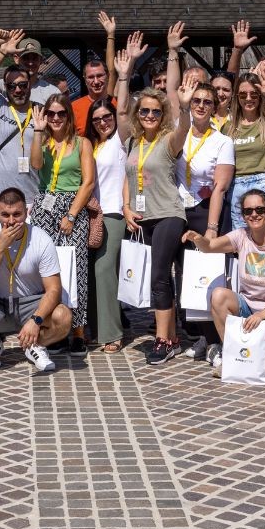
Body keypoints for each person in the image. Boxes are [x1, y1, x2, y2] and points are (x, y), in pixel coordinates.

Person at [116, 37, 195, 366]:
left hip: (168, 215)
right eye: (144, 110)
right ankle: (171, 335)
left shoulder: (167, 141)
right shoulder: (133, 140)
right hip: (142, 215)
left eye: (155, 111)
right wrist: (125, 206)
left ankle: (164, 340)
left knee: (160, 276)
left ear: (162, 115)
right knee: (158, 277)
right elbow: (127, 176)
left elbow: (185, 127)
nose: (149, 114)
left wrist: (185, 106)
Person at [185, 189, 265, 375]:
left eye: (260, 210)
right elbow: (210, 246)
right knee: (219, 295)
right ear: (243, 216)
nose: (254, 214)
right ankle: (232, 355)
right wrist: (197, 239)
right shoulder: (241, 236)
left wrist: (264, 313)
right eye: (248, 211)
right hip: (247, 311)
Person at [0, 187, 73, 373]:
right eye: (5, 215)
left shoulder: (41, 239)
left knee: (63, 317)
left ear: (26, 212)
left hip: (31, 300)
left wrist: (36, 321)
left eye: (17, 214)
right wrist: (0, 246)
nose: (12, 221)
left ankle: (35, 345)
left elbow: (54, 289)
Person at [30, 94, 96, 350]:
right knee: (46, 270)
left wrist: (71, 214)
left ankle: (78, 331)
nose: (56, 118)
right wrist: (37, 131)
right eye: (51, 114)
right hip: (45, 205)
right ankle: (52, 327)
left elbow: (88, 182)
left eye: (61, 114)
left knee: (75, 269)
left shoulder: (82, 143)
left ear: (69, 116)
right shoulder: (43, 142)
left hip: (71, 207)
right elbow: (36, 165)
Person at [175, 79, 235, 359]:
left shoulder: (222, 141)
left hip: (205, 211)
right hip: (177, 210)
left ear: (215, 107)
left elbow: (220, 186)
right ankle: (197, 335)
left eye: (206, 102)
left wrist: (211, 229)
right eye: (196, 101)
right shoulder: (179, 133)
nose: (200, 106)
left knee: (208, 274)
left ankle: (214, 338)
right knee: (185, 275)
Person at [0, 43, 43, 219]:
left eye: (22, 85)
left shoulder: (41, 112)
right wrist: (0, 51)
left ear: (30, 85)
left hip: (30, 197)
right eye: (12, 86)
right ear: (5, 87)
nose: (18, 89)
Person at [84, 98, 128, 353]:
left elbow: (123, 111)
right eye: (97, 119)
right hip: (92, 213)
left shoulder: (119, 141)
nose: (102, 122)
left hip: (113, 212)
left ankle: (112, 332)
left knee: (104, 270)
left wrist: (124, 73)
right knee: (90, 272)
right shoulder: (92, 144)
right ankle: (95, 327)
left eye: (106, 117)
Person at [227, 67, 265, 231]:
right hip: (237, 184)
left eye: (254, 94)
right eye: (243, 94)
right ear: (237, 97)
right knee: (242, 241)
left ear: (260, 97)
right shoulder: (227, 128)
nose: (248, 98)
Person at [72, 11, 119, 134]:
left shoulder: (117, 105)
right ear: (85, 79)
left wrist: (110, 35)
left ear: (107, 76)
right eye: (91, 77)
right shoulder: (74, 108)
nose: (96, 81)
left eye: (100, 75)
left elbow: (112, 69)